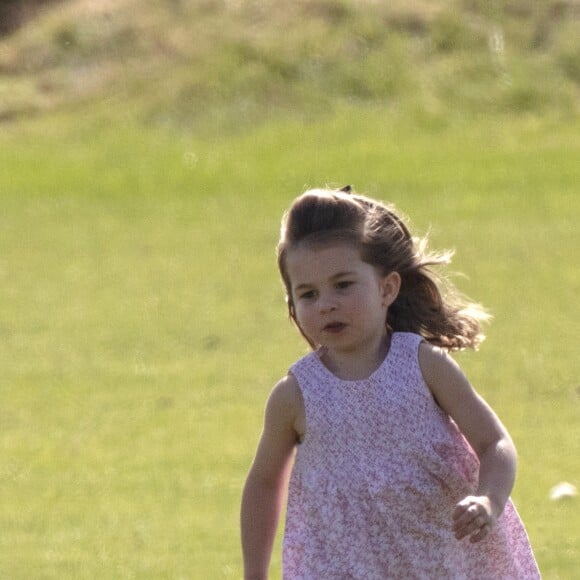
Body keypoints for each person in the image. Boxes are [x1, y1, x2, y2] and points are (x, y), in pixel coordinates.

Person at [241, 187, 540, 579]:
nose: (326, 303)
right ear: (291, 305)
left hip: (440, 560)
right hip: (342, 568)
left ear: (387, 288)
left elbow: (494, 443)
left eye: (343, 284)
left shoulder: (422, 365)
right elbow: (264, 485)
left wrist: (488, 500)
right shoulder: (295, 395)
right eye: (308, 294)